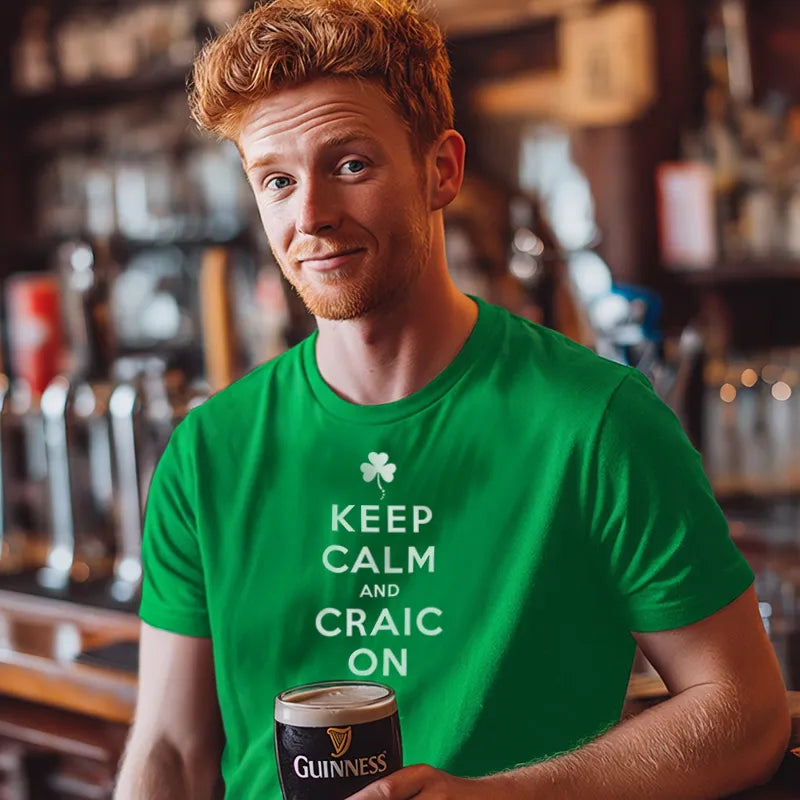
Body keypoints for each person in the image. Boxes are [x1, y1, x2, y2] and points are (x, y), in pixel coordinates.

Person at [114, 1, 790, 798]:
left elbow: (745, 710)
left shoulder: (594, 421)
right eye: (277, 180)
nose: (311, 216)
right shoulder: (208, 453)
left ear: (442, 169)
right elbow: (168, 750)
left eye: (352, 164)